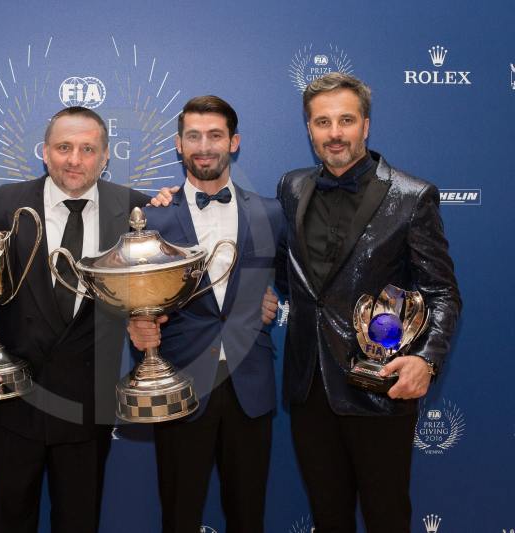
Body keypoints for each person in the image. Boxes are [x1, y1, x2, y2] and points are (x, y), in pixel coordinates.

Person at [276, 72, 461, 532]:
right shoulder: (292, 187)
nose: (334, 133)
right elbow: (290, 274)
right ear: (309, 129)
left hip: (379, 385)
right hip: (309, 386)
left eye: (345, 120)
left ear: (366, 126)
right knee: (328, 516)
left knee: (386, 516)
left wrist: (427, 361)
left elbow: (443, 292)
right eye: (322, 122)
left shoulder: (412, 197)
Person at [0, 106, 149, 533]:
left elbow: (162, 285)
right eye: (64, 147)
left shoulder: (136, 208)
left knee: (80, 522)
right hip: (11, 400)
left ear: (105, 157)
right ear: (44, 152)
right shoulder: (1, 204)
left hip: (89, 403)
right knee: (8, 519)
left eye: (87, 149)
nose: (74, 160)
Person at [127, 95, 285, 533]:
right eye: (193, 136)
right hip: (180, 387)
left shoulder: (270, 212)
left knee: (249, 516)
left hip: (249, 386)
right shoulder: (151, 217)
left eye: (215, 135)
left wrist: (273, 298)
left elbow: (297, 281)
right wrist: (135, 323)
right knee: (179, 516)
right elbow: (136, 301)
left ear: (233, 142)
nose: (204, 146)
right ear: (178, 145)